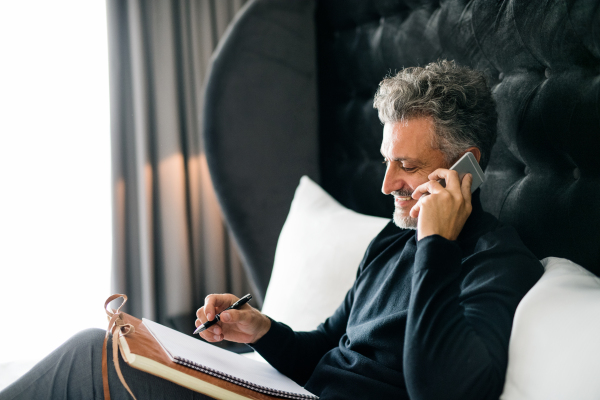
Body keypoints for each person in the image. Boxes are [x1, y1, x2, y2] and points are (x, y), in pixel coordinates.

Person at [0, 60, 543, 400]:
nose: (385, 185)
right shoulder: (391, 240)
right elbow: (332, 346)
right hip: (283, 392)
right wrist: (261, 331)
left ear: (464, 167)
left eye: (407, 165)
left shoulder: (495, 259)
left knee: (87, 356)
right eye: (386, 160)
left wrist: (436, 244)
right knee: (110, 350)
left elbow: (442, 388)